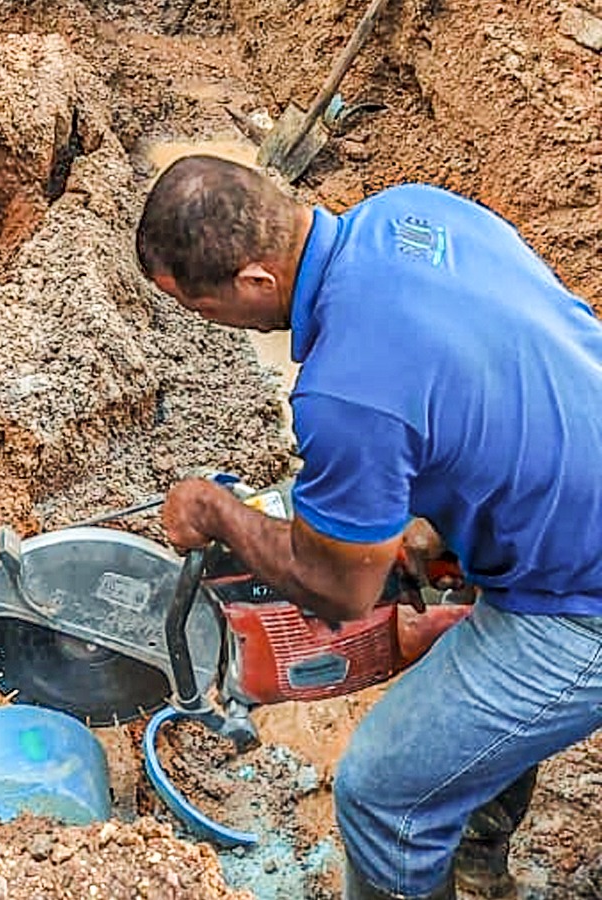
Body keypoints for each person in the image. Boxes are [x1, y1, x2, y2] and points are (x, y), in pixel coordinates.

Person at [135, 156, 602, 900]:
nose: (208, 325)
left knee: (381, 793)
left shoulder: (343, 394)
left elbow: (340, 592)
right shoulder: (414, 210)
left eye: (201, 309)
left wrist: (215, 510)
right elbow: (482, 365)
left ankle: (446, 849)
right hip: (579, 479)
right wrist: (436, 514)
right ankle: (481, 864)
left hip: (582, 601)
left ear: (256, 282)